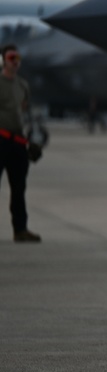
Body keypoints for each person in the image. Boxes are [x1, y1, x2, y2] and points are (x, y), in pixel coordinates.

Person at [0, 44, 41, 242]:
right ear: (3, 60)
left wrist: (32, 140)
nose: (15, 62)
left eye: (17, 58)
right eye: (11, 58)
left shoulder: (23, 85)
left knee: (19, 188)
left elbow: (24, 112)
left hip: (17, 141)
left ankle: (20, 229)